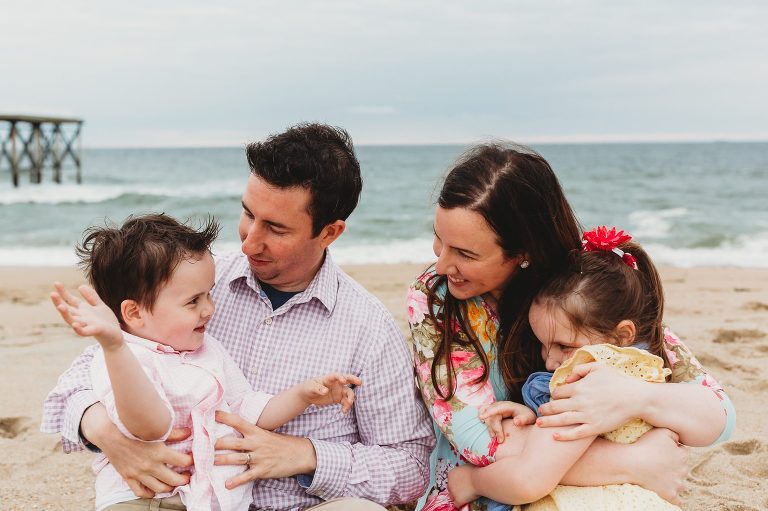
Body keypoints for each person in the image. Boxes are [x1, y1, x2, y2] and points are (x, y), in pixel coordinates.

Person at [42, 123, 435, 511]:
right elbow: (78, 382)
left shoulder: (369, 328)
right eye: (248, 214)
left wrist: (305, 455)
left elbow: (410, 467)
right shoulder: (194, 284)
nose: (249, 241)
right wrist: (109, 435)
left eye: (276, 228)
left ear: (329, 232)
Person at [406, 144, 734, 511]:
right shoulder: (434, 297)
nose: (441, 263)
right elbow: (476, 439)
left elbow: (719, 414)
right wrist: (634, 462)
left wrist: (635, 397)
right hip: (488, 488)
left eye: (465, 254)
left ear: (523, 253)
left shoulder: (585, 287)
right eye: (439, 239)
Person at [50, 213, 361, 511]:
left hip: (210, 500)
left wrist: (304, 394)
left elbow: (250, 410)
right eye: (193, 302)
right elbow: (150, 427)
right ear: (134, 313)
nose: (209, 309)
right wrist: (115, 347)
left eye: (209, 295)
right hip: (145, 498)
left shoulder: (207, 348)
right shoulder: (122, 359)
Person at [446, 227, 735, 509]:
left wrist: (472, 481)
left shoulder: (582, 384)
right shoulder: (646, 367)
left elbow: (528, 479)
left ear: (622, 336)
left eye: (563, 345)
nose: (549, 361)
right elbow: (712, 423)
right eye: (543, 345)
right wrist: (533, 416)